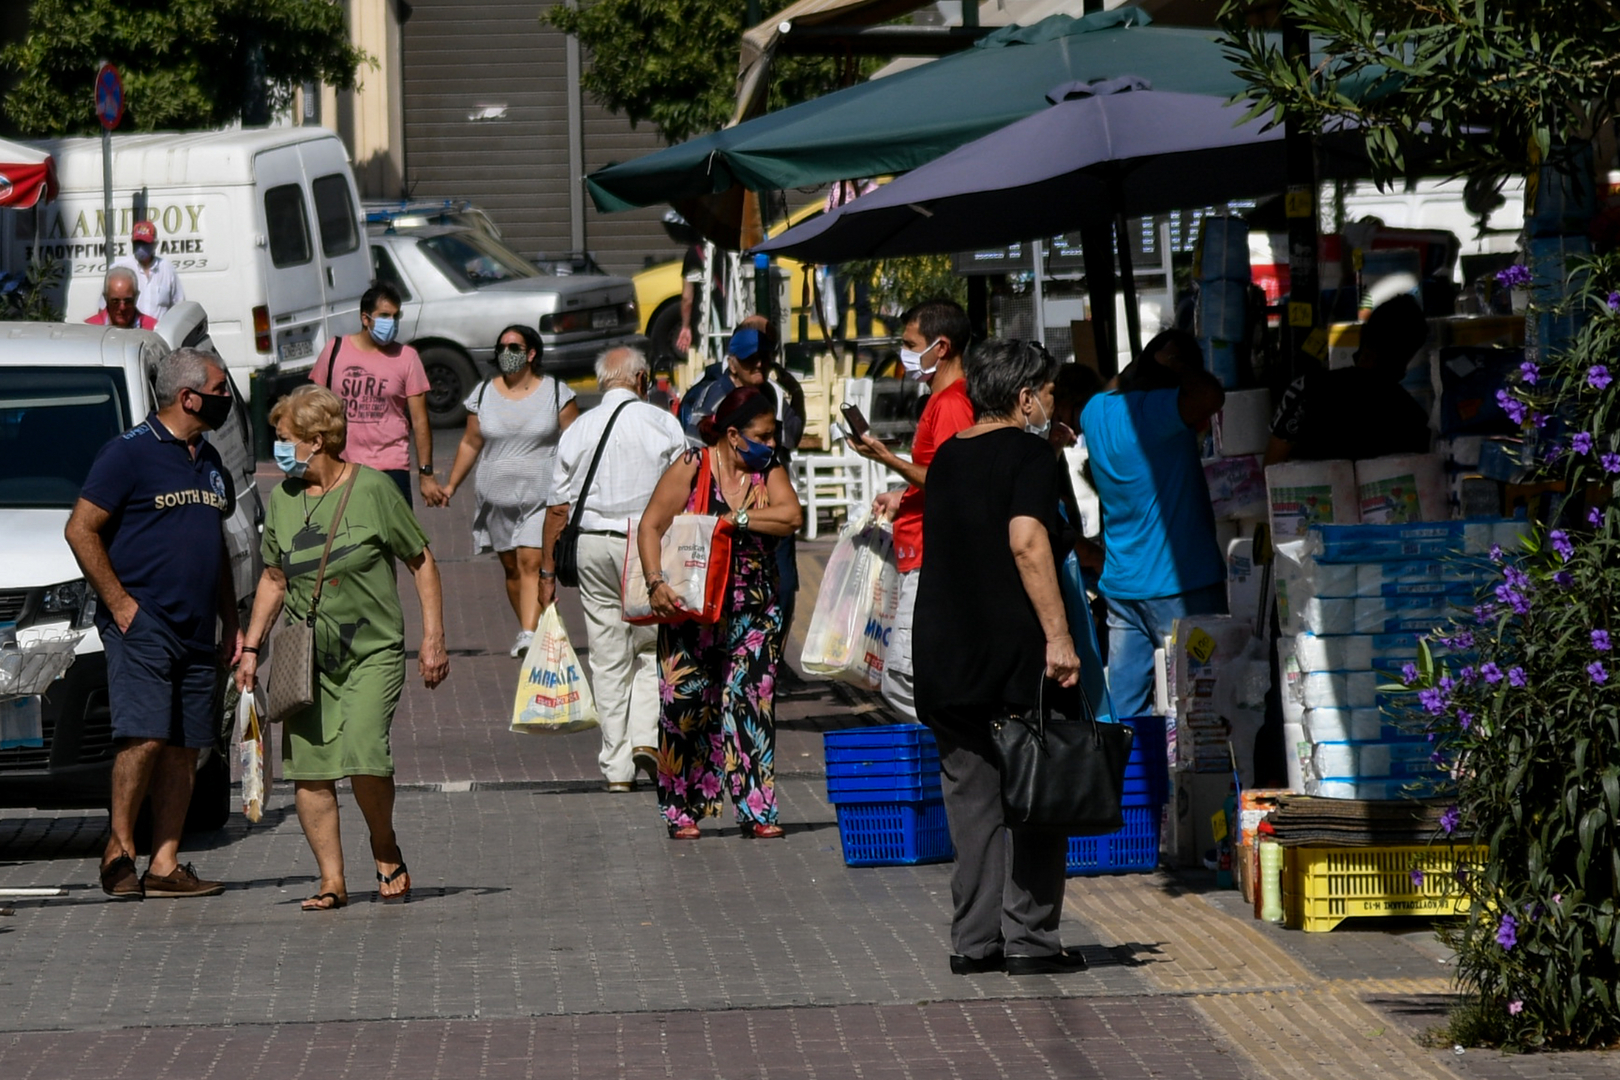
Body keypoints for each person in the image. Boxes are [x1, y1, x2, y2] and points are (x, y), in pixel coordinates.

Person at [235, 385, 449, 911]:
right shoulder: (284, 500)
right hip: (307, 658)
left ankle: (384, 843)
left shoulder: (373, 490)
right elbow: (274, 576)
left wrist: (433, 637)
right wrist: (250, 648)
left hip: (372, 651)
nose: (279, 451)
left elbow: (420, 561)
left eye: (285, 440)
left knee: (365, 751)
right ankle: (332, 880)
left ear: (318, 440)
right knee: (310, 767)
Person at [912, 338, 1085, 977]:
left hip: (946, 652)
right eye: (1046, 392)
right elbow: (1025, 542)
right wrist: (1059, 638)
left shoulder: (951, 456)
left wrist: (1052, 455)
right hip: (1014, 654)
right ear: (1023, 396)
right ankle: (1034, 941)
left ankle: (974, 942)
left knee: (972, 799)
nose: (1050, 402)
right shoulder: (1028, 455)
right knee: (1038, 794)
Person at [65, 347, 239, 899]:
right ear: (188, 397)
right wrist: (120, 605)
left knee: (187, 745)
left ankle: (165, 864)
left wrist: (230, 624)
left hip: (197, 630)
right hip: (143, 624)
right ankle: (119, 850)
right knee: (143, 737)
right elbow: (80, 529)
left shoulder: (210, 460)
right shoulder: (128, 454)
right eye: (219, 388)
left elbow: (217, 547)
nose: (227, 397)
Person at [637, 386, 804, 840]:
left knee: (751, 704)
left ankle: (757, 810)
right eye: (763, 435)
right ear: (733, 435)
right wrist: (655, 582)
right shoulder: (692, 467)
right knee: (684, 706)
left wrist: (740, 519)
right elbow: (651, 525)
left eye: (774, 436)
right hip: (690, 609)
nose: (771, 444)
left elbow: (791, 517)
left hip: (754, 611)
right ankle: (681, 806)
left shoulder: (766, 469)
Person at [541, 346, 688, 792]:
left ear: (604, 381)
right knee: (649, 645)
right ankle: (645, 737)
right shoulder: (663, 424)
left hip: (589, 545)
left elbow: (556, 508)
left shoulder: (579, 428)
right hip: (643, 546)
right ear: (642, 380)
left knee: (606, 656)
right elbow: (683, 491)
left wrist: (547, 574)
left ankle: (616, 767)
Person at [1080, 329, 1227, 719]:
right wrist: (1179, 365)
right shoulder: (1158, 412)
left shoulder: (1094, 413)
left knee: (1123, 710)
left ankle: (1126, 777)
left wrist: (1146, 361)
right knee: (1203, 706)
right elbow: (1211, 395)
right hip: (1180, 587)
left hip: (1124, 588)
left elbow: (1118, 383)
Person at [848, 299, 975, 720]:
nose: (903, 354)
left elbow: (950, 479)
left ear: (941, 347)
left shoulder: (953, 403)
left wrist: (886, 458)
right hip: (916, 554)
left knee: (904, 678)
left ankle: (957, 755)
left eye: (909, 344)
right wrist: (901, 495)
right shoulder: (938, 401)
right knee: (906, 674)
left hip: (930, 556)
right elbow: (938, 473)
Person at [678, 319, 808, 684]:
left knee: (782, 586)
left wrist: (793, 393)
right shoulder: (711, 396)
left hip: (768, 505)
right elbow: (692, 454)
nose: (759, 367)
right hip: (719, 510)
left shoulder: (774, 393)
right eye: (750, 360)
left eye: (765, 359)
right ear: (731, 361)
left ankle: (769, 658)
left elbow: (791, 439)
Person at [441, 324, 580, 657]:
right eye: (502, 347)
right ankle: (545, 627)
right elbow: (471, 442)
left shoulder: (557, 393)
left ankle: (528, 633)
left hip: (541, 498)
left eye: (514, 348)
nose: (507, 354)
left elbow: (577, 443)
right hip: (496, 500)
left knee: (530, 560)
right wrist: (449, 485)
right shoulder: (485, 394)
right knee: (512, 569)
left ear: (531, 354)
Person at [309, 284, 445, 508]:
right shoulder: (335, 350)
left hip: (391, 466)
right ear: (365, 318)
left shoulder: (407, 358)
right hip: (343, 465)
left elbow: (420, 421)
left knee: (394, 539)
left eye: (395, 316)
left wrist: (426, 473)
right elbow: (312, 409)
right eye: (384, 316)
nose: (391, 323)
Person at [1266, 294, 1432, 463]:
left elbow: (1271, 467)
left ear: (1363, 334)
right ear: (1405, 360)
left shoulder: (1306, 390)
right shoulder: (1413, 418)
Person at [107, 220, 186, 321]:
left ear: (155, 244)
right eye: (137, 243)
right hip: (129, 334)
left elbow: (179, 307)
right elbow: (104, 309)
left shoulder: (167, 269)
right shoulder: (119, 268)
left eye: (144, 243)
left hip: (158, 334)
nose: (140, 248)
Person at [84, 267, 159, 331]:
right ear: (106, 298)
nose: (122, 307)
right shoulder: (90, 329)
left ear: (136, 297)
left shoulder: (153, 329)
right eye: (115, 301)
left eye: (128, 301)